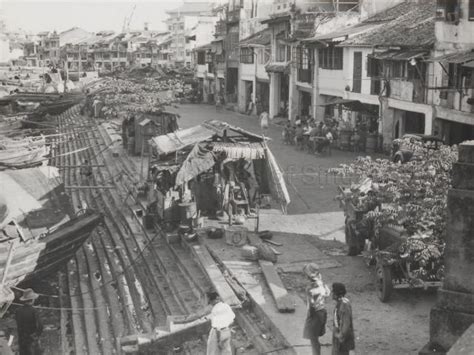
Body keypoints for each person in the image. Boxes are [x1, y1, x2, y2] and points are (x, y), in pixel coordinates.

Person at [303, 264, 331, 355]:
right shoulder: (322, 283)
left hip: (315, 313)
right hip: (322, 311)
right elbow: (327, 293)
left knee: (313, 339)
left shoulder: (310, 288)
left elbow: (311, 304)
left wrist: (309, 317)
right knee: (315, 338)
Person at [15, 288, 43, 355]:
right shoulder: (34, 311)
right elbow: (40, 326)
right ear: (32, 300)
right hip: (32, 339)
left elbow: (18, 325)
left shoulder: (18, 311)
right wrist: (37, 335)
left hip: (22, 339)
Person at [331, 283, 355, 355]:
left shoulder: (344, 305)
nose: (331, 293)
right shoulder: (341, 303)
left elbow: (346, 324)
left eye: (333, 292)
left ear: (337, 294)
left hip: (342, 340)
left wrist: (340, 335)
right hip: (338, 338)